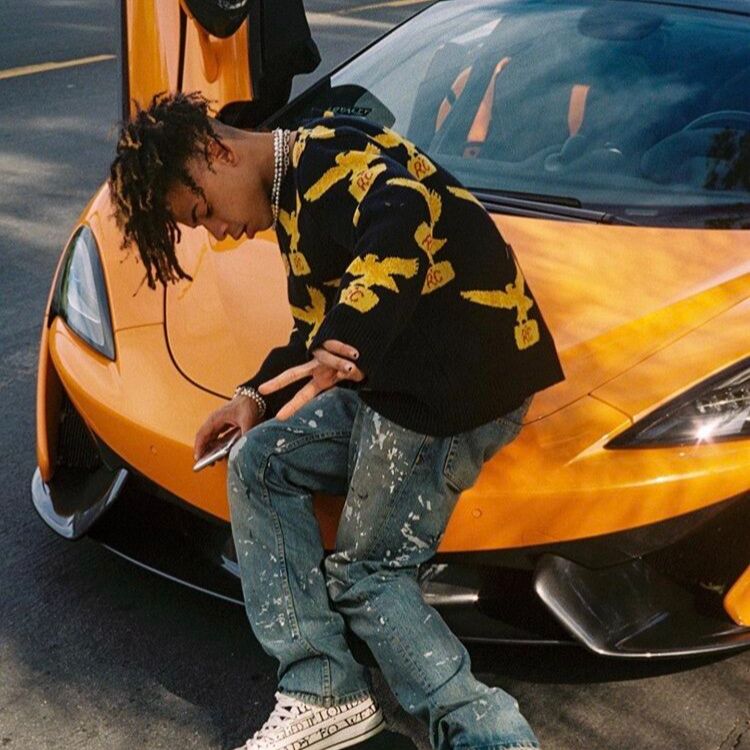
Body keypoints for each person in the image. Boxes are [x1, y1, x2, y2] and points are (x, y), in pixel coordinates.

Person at [108, 90, 565, 750]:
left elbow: (402, 212)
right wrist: (253, 398)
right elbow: (317, 328)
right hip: (402, 375)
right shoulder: (300, 181)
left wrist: (346, 339)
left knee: (368, 575)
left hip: (449, 392)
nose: (217, 232)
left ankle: (491, 736)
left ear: (214, 151)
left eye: (202, 211)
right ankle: (323, 692)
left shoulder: (327, 158)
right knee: (259, 459)